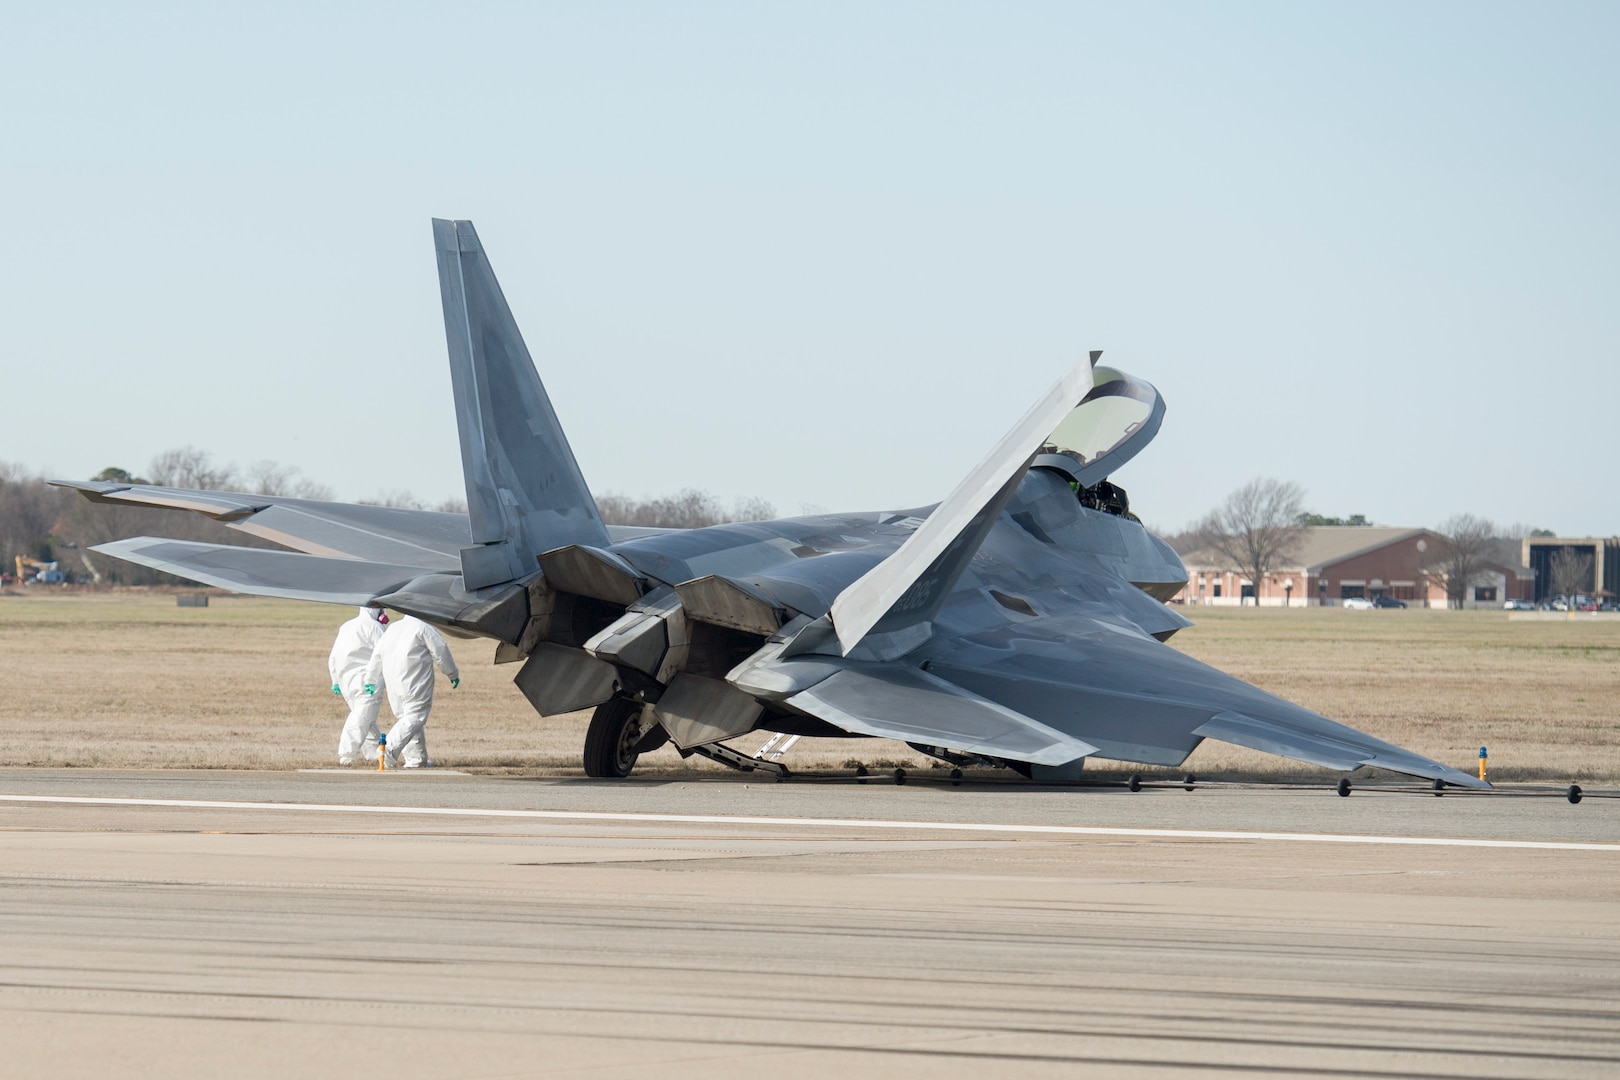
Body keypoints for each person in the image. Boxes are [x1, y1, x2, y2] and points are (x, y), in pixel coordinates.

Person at [362, 614, 459, 768]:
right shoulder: (423, 628)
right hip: (413, 681)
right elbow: (440, 650)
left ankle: (416, 760)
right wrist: (452, 673)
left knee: (407, 719)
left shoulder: (393, 628)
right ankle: (387, 750)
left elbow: (377, 654)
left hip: (393, 682)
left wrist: (370, 679)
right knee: (415, 716)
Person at [328, 607, 389, 765]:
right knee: (361, 718)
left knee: (364, 717)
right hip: (367, 680)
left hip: (346, 680)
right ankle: (346, 754)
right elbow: (385, 653)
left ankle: (375, 752)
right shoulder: (375, 628)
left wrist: (335, 680)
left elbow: (334, 656)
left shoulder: (346, 626)